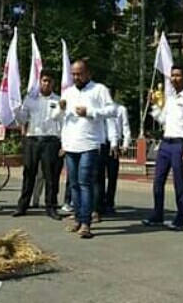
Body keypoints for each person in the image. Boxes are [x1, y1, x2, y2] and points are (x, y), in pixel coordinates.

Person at [59, 58, 117, 239]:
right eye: (73, 74)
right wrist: (64, 143)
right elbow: (64, 120)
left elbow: (112, 110)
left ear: (88, 73)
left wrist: (90, 112)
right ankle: (77, 218)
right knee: (73, 184)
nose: (76, 77)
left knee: (85, 183)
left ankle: (86, 223)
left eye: (79, 73)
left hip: (90, 144)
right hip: (71, 145)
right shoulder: (67, 92)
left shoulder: (99, 90)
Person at [142, 65, 183, 231]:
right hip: (165, 143)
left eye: (178, 75)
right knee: (158, 181)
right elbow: (162, 119)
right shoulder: (171, 98)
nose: (174, 78)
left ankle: (180, 218)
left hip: (180, 144)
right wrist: (153, 105)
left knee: (179, 182)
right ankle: (157, 215)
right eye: (172, 76)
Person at [13, 70, 63, 219]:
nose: (46, 84)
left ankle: (51, 207)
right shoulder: (30, 99)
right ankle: (22, 206)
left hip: (50, 141)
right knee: (29, 173)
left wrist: (63, 143)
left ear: (53, 83)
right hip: (33, 140)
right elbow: (22, 120)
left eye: (49, 81)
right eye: (44, 80)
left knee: (51, 177)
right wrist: (15, 110)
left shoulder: (59, 100)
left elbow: (62, 123)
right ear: (40, 82)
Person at [102, 98, 130, 215]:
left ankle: (110, 203)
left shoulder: (121, 109)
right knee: (98, 176)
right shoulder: (99, 109)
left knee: (112, 176)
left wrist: (125, 144)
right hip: (101, 143)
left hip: (114, 144)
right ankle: (99, 202)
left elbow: (126, 127)